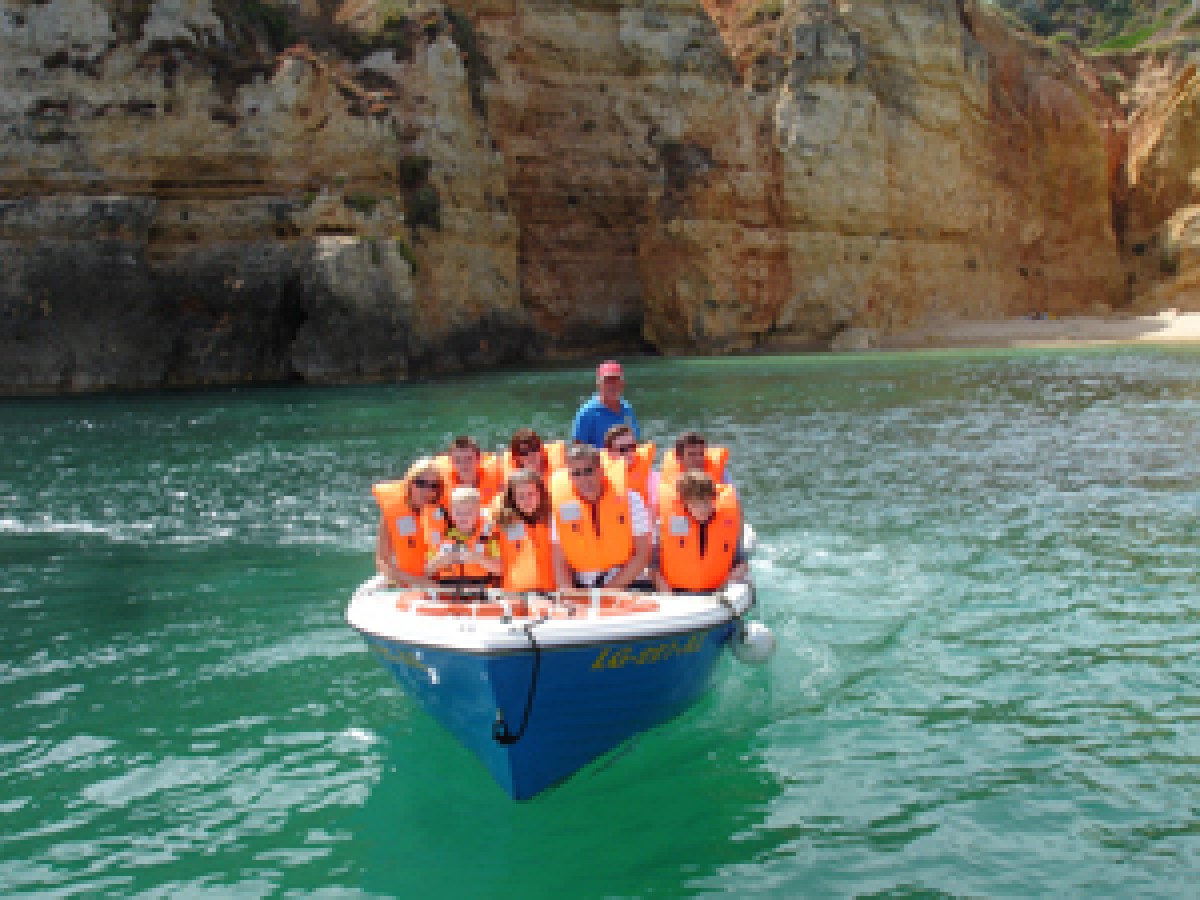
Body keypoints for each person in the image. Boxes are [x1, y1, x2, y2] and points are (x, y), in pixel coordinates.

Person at [550, 443, 651, 590]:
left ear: (601, 471)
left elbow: (642, 555)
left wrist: (609, 591)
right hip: (583, 588)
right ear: (570, 477)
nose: (583, 479)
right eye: (576, 474)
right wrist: (569, 594)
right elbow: (559, 561)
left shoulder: (631, 500)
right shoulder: (561, 507)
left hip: (627, 584)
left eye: (588, 471)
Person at [654, 471, 747, 593]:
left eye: (707, 502)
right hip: (676, 592)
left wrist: (725, 586)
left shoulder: (727, 524)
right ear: (684, 503)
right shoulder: (669, 523)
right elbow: (654, 566)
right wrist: (666, 593)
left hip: (716, 591)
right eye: (697, 504)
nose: (703, 509)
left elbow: (742, 563)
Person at [372, 457, 445, 588]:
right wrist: (416, 581)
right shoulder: (393, 511)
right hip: (410, 585)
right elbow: (382, 561)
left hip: (444, 584)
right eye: (421, 483)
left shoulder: (448, 512)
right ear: (409, 483)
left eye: (434, 486)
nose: (427, 490)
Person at [492, 468, 556, 592]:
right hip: (515, 595)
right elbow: (495, 556)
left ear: (540, 494)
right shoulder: (500, 525)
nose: (527, 500)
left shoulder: (552, 520)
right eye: (521, 496)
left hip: (551, 593)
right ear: (512, 499)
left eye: (531, 494)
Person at [425, 486, 503, 586]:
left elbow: (500, 569)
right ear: (451, 514)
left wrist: (479, 558)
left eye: (468, 512)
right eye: (458, 512)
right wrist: (441, 560)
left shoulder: (488, 536)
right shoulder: (443, 537)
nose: (463, 516)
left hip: (480, 592)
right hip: (447, 592)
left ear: (478, 513)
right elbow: (427, 570)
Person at [572, 360, 640, 449]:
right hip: (601, 462)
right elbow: (577, 451)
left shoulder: (627, 408)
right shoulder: (586, 413)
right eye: (607, 381)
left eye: (615, 380)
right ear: (599, 384)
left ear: (622, 384)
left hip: (627, 460)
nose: (612, 385)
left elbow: (636, 441)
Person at [658, 430, 731, 498]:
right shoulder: (663, 483)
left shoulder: (722, 475)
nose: (698, 459)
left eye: (701, 454)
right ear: (679, 457)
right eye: (692, 454)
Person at [436, 435, 501, 505]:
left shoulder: (496, 475)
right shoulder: (441, 482)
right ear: (451, 461)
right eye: (457, 460)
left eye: (468, 458)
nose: (463, 464)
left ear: (479, 459)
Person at [602, 424, 656, 507]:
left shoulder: (645, 467)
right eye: (622, 449)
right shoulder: (601, 475)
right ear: (610, 453)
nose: (629, 452)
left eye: (632, 446)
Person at [500, 428, 566, 482]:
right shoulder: (512, 482)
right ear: (516, 458)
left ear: (542, 449)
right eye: (524, 452)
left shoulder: (561, 462)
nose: (531, 455)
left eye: (534, 448)